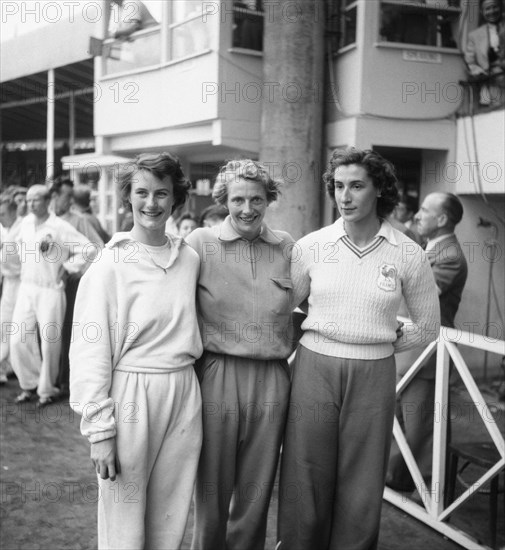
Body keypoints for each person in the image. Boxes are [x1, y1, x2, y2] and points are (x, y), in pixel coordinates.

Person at [277, 148, 440, 550]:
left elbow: (428, 325)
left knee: (362, 476)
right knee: (306, 469)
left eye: (356, 186)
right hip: (315, 366)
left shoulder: (407, 252)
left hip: (374, 372)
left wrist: (382, 341)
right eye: (338, 186)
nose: (344, 196)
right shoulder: (312, 246)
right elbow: (285, 309)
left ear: (380, 189)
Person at [70, 152, 203, 550]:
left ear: (175, 199)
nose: (151, 203)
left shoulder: (190, 259)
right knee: (125, 520)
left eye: (161, 193)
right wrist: (100, 433)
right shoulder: (108, 266)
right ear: (127, 198)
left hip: (182, 391)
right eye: (141, 192)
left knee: (170, 514)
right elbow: (90, 351)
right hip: (130, 394)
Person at [187, 159, 294, 550]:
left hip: (272, 377)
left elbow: (313, 301)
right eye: (237, 200)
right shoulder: (200, 243)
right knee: (212, 483)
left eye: (256, 199)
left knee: (257, 486)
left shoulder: (286, 246)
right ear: (223, 200)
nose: (247, 209)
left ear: (269, 200)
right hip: (217, 373)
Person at [387, 192, 468, 492]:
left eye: (424, 210)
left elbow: (420, 294)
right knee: (402, 420)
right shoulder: (428, 248)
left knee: (421, 426)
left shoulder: (450, 256)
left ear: (443, 219)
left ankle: (427, 491)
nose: (417, 215)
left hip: (427, 354)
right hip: (409, 350)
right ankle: (398, 480)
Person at [10, 185, 96, 407]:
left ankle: (47, 389)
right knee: (17, 340)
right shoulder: (26, 223)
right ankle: (29, 383)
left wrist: (68, 267)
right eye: (28, 200)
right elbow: (11, 245)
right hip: (27, 286)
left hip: (51, 289)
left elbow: (89, 248)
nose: (30, 204)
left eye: (35, 200)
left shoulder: (58, 226)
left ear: (47, 200)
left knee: (49, 343)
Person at [49, 177, 104, 396]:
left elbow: (98, 248)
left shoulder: (78, 220)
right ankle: (46, 379)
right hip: (45, 286)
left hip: (70, 284)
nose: (69, 201)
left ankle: (64, 380)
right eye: (65, 195)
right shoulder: (44, 221)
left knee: (66, 330)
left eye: (71, 196)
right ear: (53, 196)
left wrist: (76, 269)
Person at [0, 194, 23, 384]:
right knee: (4, 323)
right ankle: (3, 367)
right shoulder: (5, 229)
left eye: (3, 213)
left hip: (22, 282)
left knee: (21, 327)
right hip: (8, 282)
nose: (1, 217)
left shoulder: (22, 227)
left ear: (14, 211)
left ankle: (18, 368)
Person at [464, 0, 505, 106]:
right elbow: (470, 62)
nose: (492, 11)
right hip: (493, 82)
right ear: (482, 12)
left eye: (494, 7)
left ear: (501, 8)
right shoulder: (474, 36)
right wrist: (481, 73)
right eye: (487, 8)